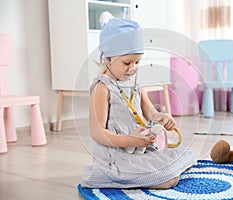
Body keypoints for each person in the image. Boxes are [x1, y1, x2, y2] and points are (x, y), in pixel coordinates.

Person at [81, 18, 196, 189]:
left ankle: (155, 172)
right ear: (107, 58)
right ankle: (113, 176)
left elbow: (152, 114)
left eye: (137, 62)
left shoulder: (134, 85)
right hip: (116, 154)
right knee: (169, 181)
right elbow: (98, 133)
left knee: (188, 155)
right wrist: (129, 140)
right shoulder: (102, 88)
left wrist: (163, 118)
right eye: (127, 62)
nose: (133, 68)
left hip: (139, 148)